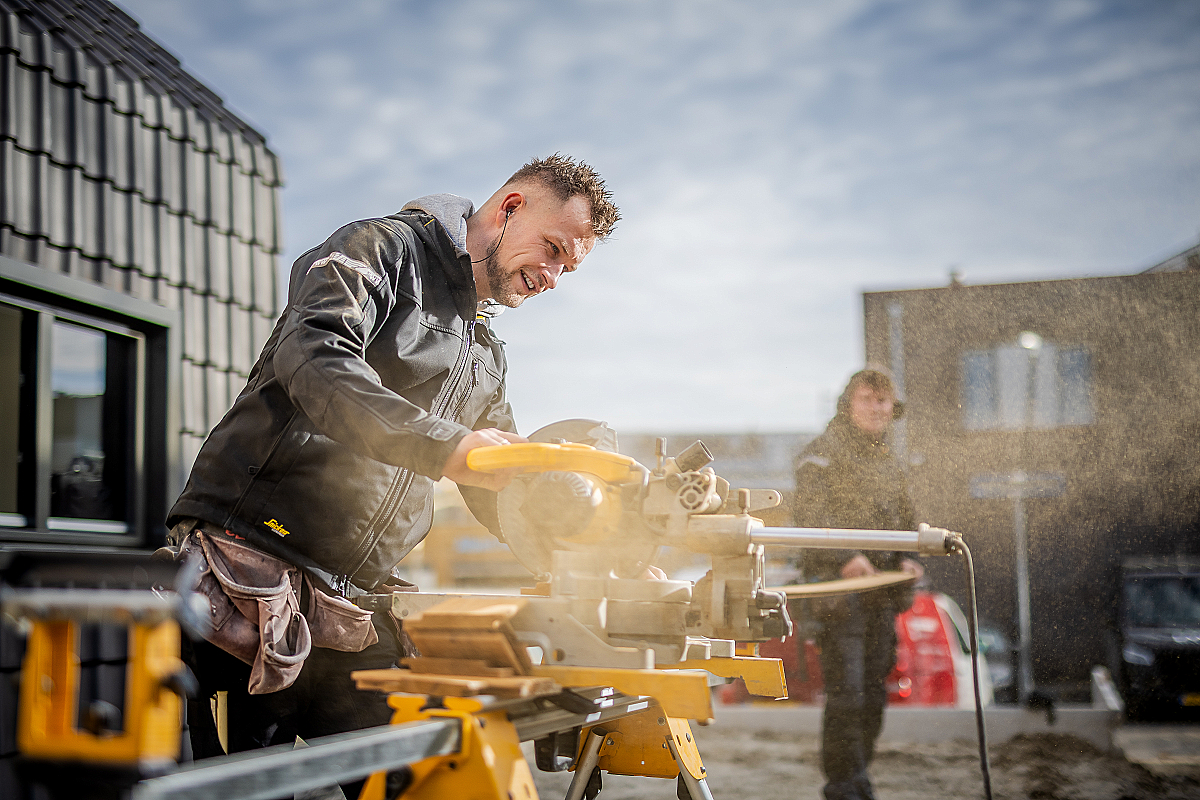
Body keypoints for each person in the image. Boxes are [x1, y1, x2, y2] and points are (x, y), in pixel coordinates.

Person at [164, 154, 619, 769]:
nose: (554, 276)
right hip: (250, 575)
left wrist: (585, 547)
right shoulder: (382, 249)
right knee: (247, 788)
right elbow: (315, 357)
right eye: (553, 249)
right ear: (511, 208)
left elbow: (505, 480)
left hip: (358, 604)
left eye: (569, 267)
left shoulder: (482, 350)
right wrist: (442, 445)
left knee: (411, 780)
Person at [793, 367, 924, 800]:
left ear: (893, 409)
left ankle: (859, 779)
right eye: (867, 399)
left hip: (881, 597)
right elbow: (812, 516)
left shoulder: (892, 465)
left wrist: (908, 559)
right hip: (837, 597)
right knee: (847, 696)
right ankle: (843, 788)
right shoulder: (821, 454)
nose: (876, 408)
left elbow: (906, 523)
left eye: (883, 401)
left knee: (872, 695)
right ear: (848, 404)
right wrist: (845, 557)